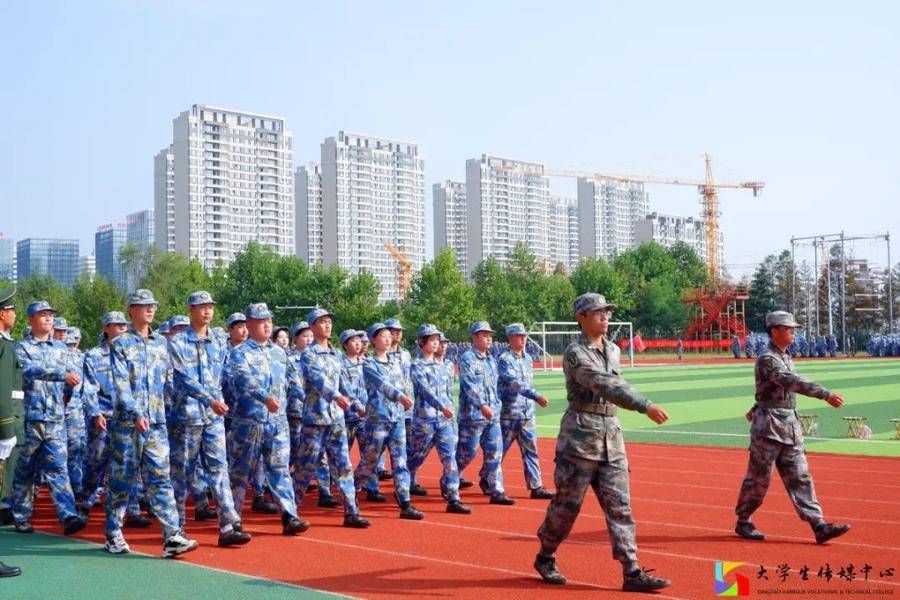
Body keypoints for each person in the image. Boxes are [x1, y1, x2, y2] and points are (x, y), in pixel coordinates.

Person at [534, 293, 671, 592]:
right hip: (579, 440)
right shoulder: (575, 353)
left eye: (606, 311)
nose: (605, 316)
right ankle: (545, 555)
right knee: (567, 508)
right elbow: (605, 384)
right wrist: (644, 404)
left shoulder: (613, 350)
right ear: (581, 318)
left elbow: (614, 385)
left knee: (620, 507)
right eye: (597, 312)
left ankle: (632, 571)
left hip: (611, 436)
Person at [734, 311, 850, 545]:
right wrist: (824, 394)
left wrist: (756, 404)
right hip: (767, 428)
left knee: (801, 476)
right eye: (789, 328)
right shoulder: (768, 358)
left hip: (788, 425)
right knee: (759, 479)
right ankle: (744, 519)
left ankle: (818, 525)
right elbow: (791, 382)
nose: (793, 332)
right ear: (774, 331)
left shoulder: (786, 357)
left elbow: (771, 391)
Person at [104, 289, 198, 557]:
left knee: (160, 479)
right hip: (127, 425)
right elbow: (121, 385)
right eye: (143, 305)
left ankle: (172, 535)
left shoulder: (160, 345)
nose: (150, 309)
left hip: (156, 424)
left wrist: (174, 410)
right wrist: (134, 413)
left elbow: (170, 382)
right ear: (131, 309)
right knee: (122, 482)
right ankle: (112, 533)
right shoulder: (121, 345)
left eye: (152, 305)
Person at [168, 292, 250, 547]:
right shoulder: (178, 341)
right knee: (182, 474)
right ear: (191, 309)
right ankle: (177, 527)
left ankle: (227, 525)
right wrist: (209, 399)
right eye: (202, 307)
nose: (207, 311)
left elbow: (225, 373)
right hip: (188, 417)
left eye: (210, 307)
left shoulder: (218, 340)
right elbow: (183, 377)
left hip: (214, 418)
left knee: (218, 469)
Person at [226, 303, 310, 536]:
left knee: (279, 469)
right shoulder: (239, 353)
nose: (266, 325)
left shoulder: (279, 352)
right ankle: (233, 520)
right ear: (250, 324)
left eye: (268, 321)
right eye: (261, 321)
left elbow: (292, 382)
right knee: (240, 472)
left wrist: (305, 402)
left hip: (277, 422)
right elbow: (243, 380)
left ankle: (289, 516)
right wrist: (264, 397)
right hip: (248, 422)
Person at [10, 301, 87, 536]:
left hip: (55, 418)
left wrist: (68, 390)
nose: (48, 319)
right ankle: (21, 516)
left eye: (50, 315)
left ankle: (68, 515)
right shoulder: (20, 348)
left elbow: (72, 383)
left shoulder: (62, 349)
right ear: (30, 320)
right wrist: (61, 376)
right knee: (26, 469)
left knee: (58, 468)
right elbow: (27, 370)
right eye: (42, 315)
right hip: (29, 418)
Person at [292, 309, 370, 528]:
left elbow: (343, 384)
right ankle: (290, 512)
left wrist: (356, 404)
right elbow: (317, 380)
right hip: (315, 420)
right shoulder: (308, 354)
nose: (327, 326)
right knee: (305, 469)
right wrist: (337, 396)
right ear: (312, 327)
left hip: (336, 420)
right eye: (322, 322)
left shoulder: (336, 355)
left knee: (343, 466)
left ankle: (351, 512)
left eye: (329, 322)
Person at [80, 311, 148, 526]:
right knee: (96, 462)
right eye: (116, 325)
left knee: (130, 463)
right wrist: (95, 413)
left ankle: (133, 509)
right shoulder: (93, 355)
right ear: (106, 328)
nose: (121, 328)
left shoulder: (132, 352)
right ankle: (84, 504)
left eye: (124, 325)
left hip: (128, 418)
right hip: (104, 417)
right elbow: (89, 389)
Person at [355, 322, 422, 520]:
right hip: (378, 420)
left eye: (388, 335)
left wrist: (407, 401)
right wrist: (400, 396)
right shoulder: (368, 363)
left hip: (397, 419)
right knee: (370, 462)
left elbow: (405, 382)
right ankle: (351, 489)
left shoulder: (396, 362)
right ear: (373, 340)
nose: (387, 338)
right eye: (382, 335)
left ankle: (405, 502)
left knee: (400, 462)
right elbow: (381, 385)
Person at [406, 324, 471, 514]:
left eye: (437, 340)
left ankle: (453, 497)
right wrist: (441, 406)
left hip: (444, 422)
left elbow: (449, 392)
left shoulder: (445, 366)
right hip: (424, 421)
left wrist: (449, 414)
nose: (436, 343)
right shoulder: (416, 366)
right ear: (421, 342)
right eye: (432, 340)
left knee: (450, 459)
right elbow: (424, 391)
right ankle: (405, 481)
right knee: (415, 458)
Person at [456, 322, 514, 505]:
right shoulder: (467, 359)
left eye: (490, 335)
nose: (489, 338)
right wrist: (482, 405)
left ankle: (496, 489)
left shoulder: (491, 359)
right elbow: (469, 385)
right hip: (472, 417)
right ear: (474, 338)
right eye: (484, 335)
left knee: (495, 452)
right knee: (467, 454)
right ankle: (451, 478)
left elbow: (495, 386)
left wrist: (496, 405)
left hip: (493, 416)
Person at [498, 323, 554, 500]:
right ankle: (488, 479)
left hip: (527, 414)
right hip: (509, 414)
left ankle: (536, 486)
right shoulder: (505, 359)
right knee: (499, 452)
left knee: (531, 451)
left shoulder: (528, 359)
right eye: (518, 336)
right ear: (510, 338)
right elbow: (515, 384)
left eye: (524, 336)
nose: (523, 339)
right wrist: (536, 395)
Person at [0, 287, 22, 578]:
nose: (15, 314)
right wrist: (6, 429)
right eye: (12, 309)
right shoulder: (3, 346)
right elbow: (3, 391)